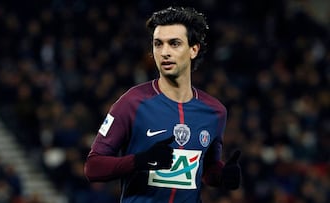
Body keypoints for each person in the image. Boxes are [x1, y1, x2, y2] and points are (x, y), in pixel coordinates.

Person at [84, 6, 241, 203]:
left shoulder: (215, 112)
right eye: (158, 44)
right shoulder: (132, 103)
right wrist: (140, 160)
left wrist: (222, 174)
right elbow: (93, 167)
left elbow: (207, 170)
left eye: (174, 44)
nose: (164, 52)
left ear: (193, 49)